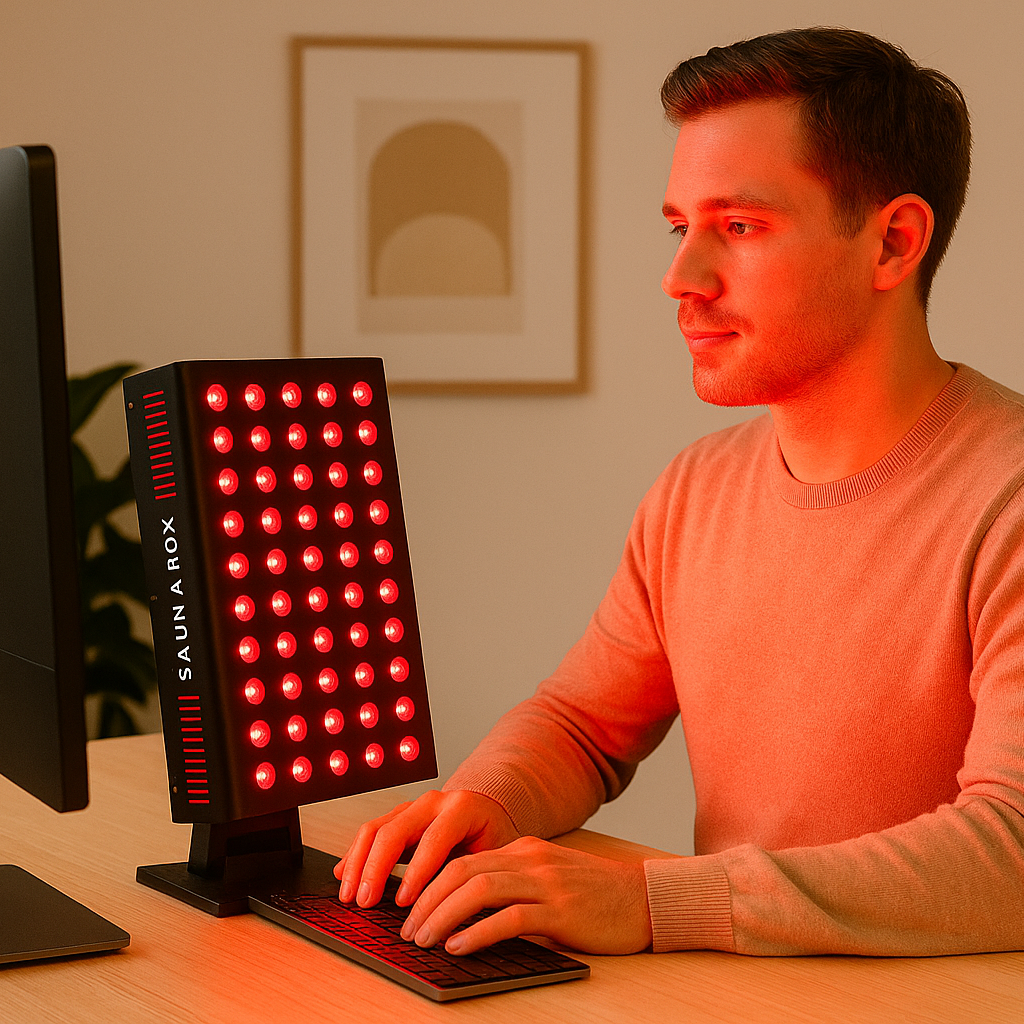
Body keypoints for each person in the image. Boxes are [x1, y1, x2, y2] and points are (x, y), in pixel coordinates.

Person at [336, 27, 1024, 957]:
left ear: (894, 242)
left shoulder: (1007, 495)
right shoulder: (697, 490)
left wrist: (654, 902)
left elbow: (1011, 852)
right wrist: (482, 803)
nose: (681, 278)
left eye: (738, 227)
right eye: (679, 226)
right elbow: (582, 725)